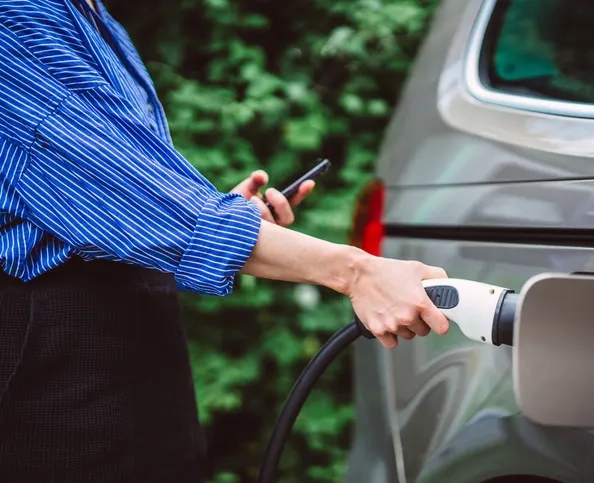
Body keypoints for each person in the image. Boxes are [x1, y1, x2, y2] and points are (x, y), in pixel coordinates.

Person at [0, 1, 450, 482]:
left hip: (126, 338)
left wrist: (227, 219)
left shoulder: (89, 14)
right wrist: (357, 271)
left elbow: (122, 198)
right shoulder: (17, 18)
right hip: (55, 357)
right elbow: (132, 194)